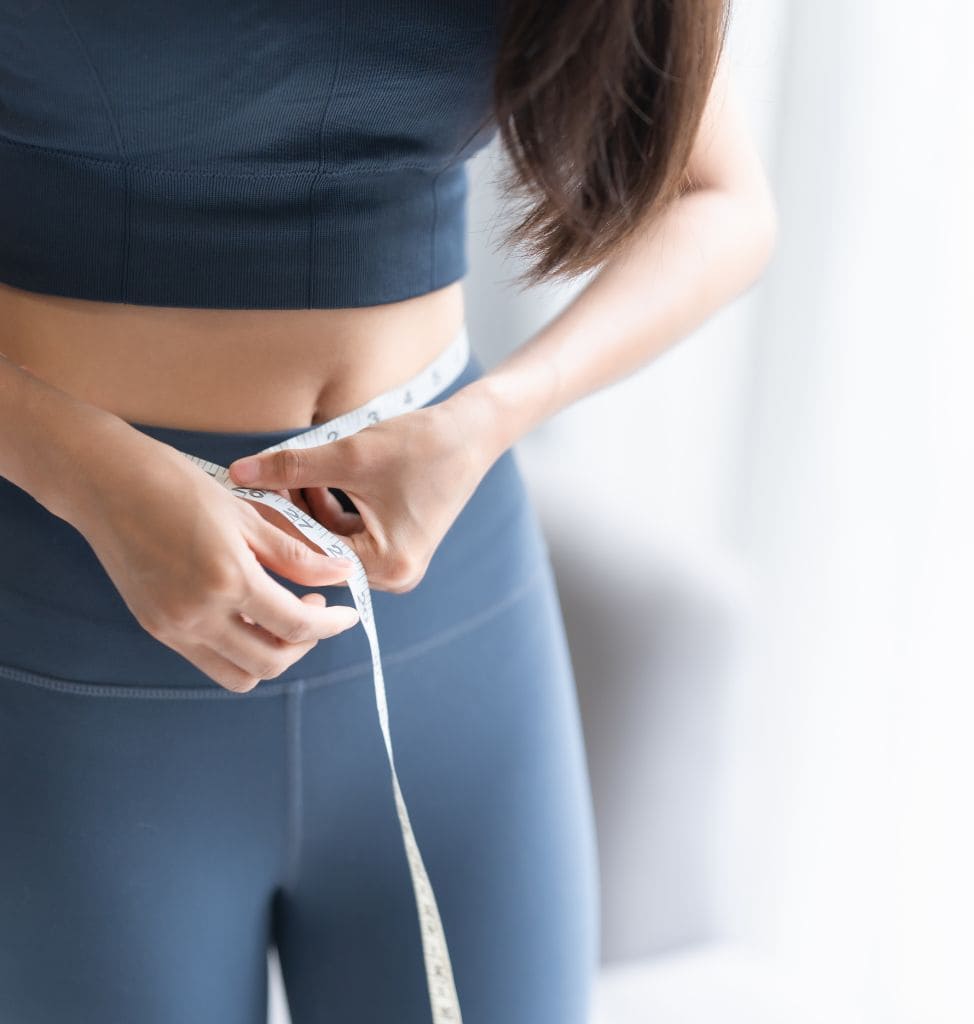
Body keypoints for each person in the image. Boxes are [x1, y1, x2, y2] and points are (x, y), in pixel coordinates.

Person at [0, 1, 776, 1022]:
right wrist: (80, 466)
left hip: (451, 621)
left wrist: (491, 416)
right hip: (69, 614)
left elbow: (720, 200)